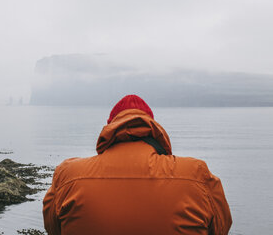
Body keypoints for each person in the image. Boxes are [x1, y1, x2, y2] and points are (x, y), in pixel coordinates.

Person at [43, 95, 232, 235]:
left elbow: (53, 229)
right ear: (153, 129)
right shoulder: (196, 175)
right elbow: (220, 228)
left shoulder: (69, 175)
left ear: (110, 129)